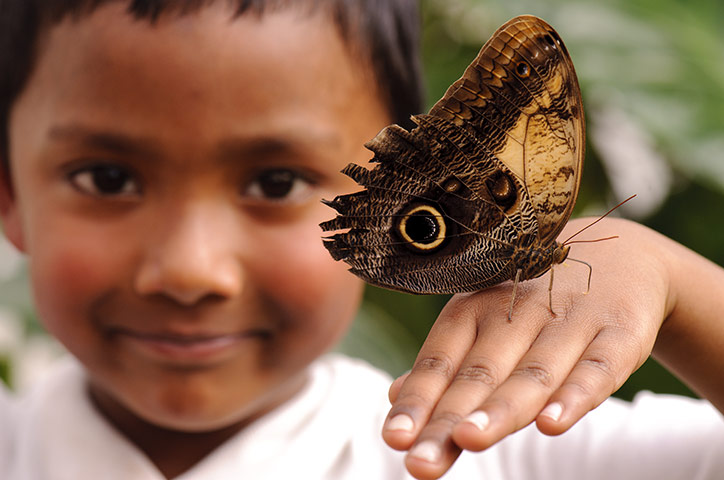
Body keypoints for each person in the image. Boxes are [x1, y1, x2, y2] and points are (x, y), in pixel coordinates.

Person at [0, 1, 722, 479]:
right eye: (106, 178)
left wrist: (674, 281)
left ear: (381, 157)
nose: (192, 270)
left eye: (277, 182)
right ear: (9, 196)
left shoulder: (511, 453)